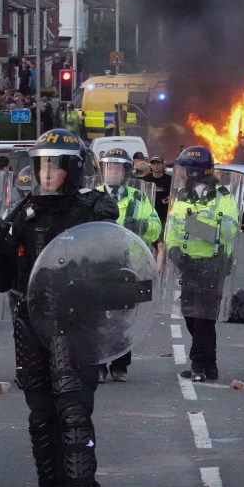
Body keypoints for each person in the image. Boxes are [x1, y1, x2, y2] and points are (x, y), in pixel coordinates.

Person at [0, 129, 117, 487]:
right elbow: (3, 283)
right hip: (30, 323)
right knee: (42, 418)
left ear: (72, 170)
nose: (47, 173)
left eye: (55, 165)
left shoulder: (92, 210)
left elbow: (113, 262)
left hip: (75, 324)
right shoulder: (23, 214)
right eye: (41, 165)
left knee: (74, 417)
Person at [165, 146, 241, 382]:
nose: (182, 173)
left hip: (212, 264)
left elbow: (229, 230)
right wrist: (173, 250)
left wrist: (196, 227)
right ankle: (210, 364)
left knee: (204, 318)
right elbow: (173, 226)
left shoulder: (223, 196)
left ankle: (198, 363)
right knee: (190, 315)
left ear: (196, 172)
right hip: (187, 265)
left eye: (185, 169)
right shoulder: (182, 196)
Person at [93, 148, 161, 383]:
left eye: (117, 167)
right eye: (108, 166)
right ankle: (99, 364)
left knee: (123, 318)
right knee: (98, 317)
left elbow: (155, 229)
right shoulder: (92, 195)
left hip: (128, 266)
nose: (112, 171)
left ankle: (120, 365)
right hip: (99, 266)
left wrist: (139, 224)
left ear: (125, 171)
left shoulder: (138, 198)